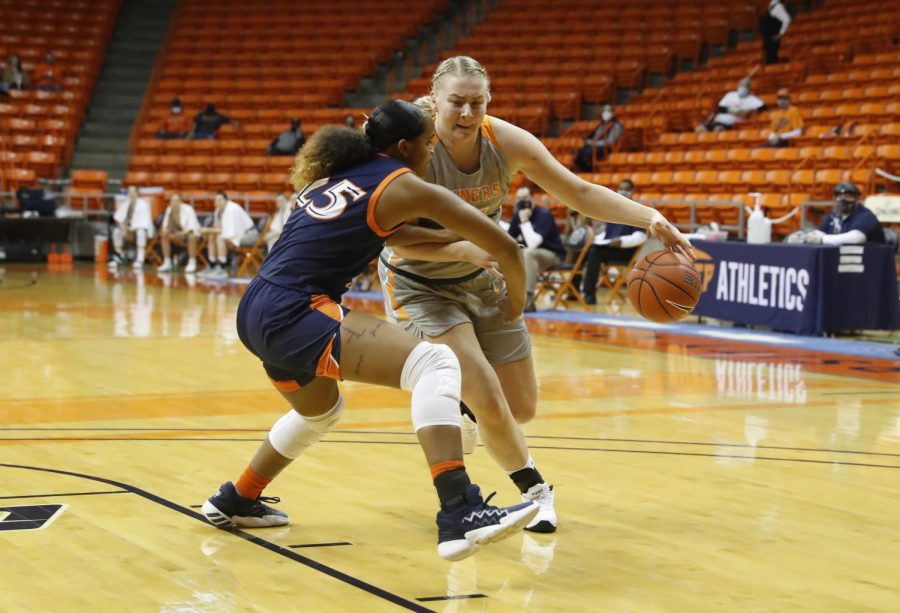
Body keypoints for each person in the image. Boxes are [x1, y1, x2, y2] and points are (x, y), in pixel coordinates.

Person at [236, 56, 692, 538]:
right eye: (456, 102)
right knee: (476, 383)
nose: (468, 113)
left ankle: (457, 411)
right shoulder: (409, 147)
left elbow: (577, 190)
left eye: (477, 103)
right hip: (420, 280)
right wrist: (474, 260)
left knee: (519, 407)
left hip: (484, 275)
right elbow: (389, 234)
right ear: (433, 102)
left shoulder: (504, 141)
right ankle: (533, 493)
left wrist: (649, 218)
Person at [200, 100, 539, 561]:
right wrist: (514, 304)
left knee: (319, 413)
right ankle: (460, 509)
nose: (432, 149)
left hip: (256, 307)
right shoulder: (403, 183)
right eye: (428, 142)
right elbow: (506, 246)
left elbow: (390, 235)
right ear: (405, 147)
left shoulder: (338, 176)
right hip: (297, 310)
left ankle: (235, 498)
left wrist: (458, 246)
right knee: (435, 362)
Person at [577, 179, 647, 305]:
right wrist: (596, 240)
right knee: (583, 249)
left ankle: (589, 294)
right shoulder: (613, 210)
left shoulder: (638, 209)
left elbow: (641, 236)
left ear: (632, 192)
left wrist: (621, 241)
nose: (623, 192)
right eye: (621, 188)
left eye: (626, 189)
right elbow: (607, 235)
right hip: (610, 248)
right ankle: (574, 290)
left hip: (626, 252)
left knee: (594, 252)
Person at [505, 187, 565, 312]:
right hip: (530, 254)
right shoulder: (518, 214)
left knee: (529, 253)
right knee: (506, 253)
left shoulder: (544, 214)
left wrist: (525, 221)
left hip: (552, 254)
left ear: (532, 198)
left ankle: (528, 300)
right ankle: (506, 295)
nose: (522, 202)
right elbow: (508, 239)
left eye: (525, 198)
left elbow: (533, 244)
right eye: (519, 199)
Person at [804, 182, 885, 245]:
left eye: (848, 196)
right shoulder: (834, 214)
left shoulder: (865, 215)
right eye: (839, 196)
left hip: (869, 258)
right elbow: (821, 231)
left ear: (856, 198)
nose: (843, 200)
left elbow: (857, 238)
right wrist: (807, 236)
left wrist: (822, 239)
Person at [200, 191, 257, 279]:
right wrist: (212, 227)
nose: (218, 202)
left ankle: (222, 268)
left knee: (220, 237)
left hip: (250, 235)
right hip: (239, 234)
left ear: (226, 200)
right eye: (216, 200)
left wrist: (207, 230)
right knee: (212, 235)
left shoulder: (231, 209)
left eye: (220, 200)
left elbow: (225, 232)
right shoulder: (219, 210)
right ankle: (212, 265)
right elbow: (217, 227)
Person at [109, 186, 155, 270]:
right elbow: (118, 218)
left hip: (140, 231)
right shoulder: (126, 203)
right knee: (116, 231)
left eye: (133, 191)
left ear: (137, 193)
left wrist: (129, 228)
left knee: (140, 232)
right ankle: (119, 254)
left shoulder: (143, 204)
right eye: (129, 191)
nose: (131, 193)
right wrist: (122, 226)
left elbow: (143, 223)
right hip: (128, 230)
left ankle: (140, 257)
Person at [697, 78, 766, 132]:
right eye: (741, 85)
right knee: (700, 129)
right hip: (718, 119)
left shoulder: (752, 98)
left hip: (731, 123)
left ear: (749, 88)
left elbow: (763, 107)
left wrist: (748, 111)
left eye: (745, 86)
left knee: (718, 129)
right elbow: (721, 107)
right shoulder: (730, 95)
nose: (742, 88)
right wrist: (731, 111)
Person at [156, 193, 201, 273]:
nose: (174, 203)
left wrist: (179, 234)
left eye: (176, 201)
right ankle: (167, 262)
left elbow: (191, 228)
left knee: (191, 236)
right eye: (172, 201)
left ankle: (192, 262)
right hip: (177, 235)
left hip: (189, 234)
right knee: (164, 235)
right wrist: (167, 231)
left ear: (180, 202)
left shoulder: (188, 209)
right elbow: (166, 227)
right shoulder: (169, 210)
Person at [574, 104, 623, 172]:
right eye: (604, 111)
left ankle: (591, 171)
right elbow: (596, 136)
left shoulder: (616, 125)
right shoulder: (601, 125)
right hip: (596, 146)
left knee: (587, 153)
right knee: (578, 153)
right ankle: (587, 171)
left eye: (608, 110)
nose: (606, 113)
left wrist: (593, 143)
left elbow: (610, 142)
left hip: (606, 148)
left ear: (613, 112)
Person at [759, 0, 792, 65]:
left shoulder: (777, 7)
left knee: (772, 59)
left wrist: (780, 34)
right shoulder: (770, 6)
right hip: (768, 37)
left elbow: (787, 20)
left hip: (773, 38)